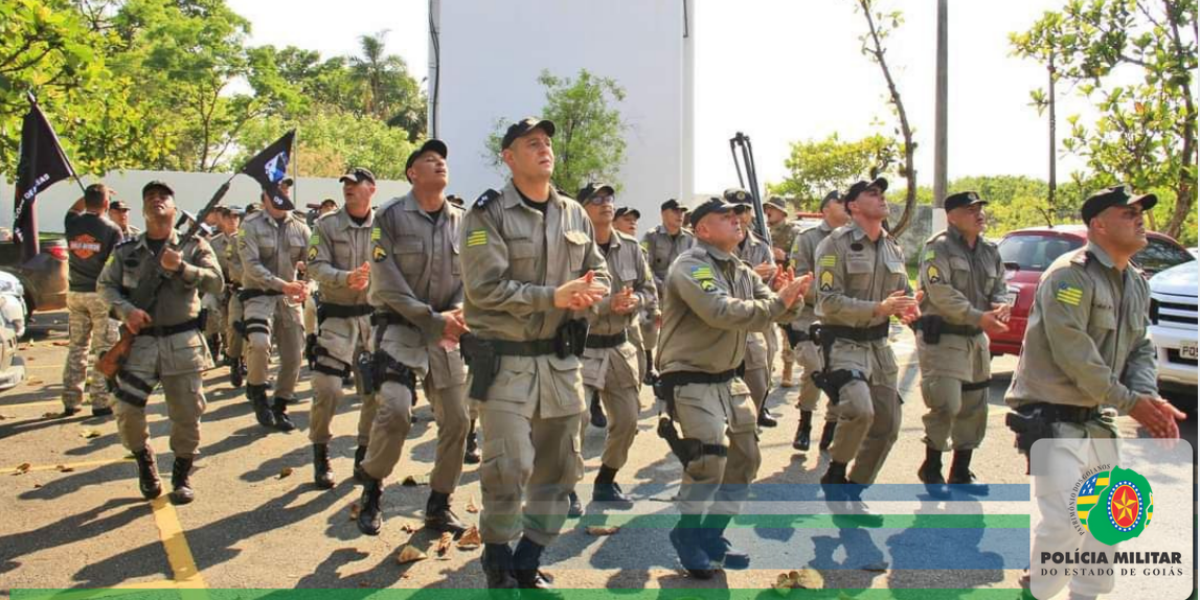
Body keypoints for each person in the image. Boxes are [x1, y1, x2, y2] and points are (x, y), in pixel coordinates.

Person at [1005, 185, 1186, 600]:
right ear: (1098, 225)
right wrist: (1133, 404)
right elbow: (1076, 356)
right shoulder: (1070, 276)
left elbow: (1141, 345)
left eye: (1141, 211)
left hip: (1096, 418)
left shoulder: (1135, 281)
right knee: (1066, 521)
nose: (1140, 218)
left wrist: (1146, 394)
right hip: (1052, 416)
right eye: (1128, 212)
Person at [459, 117, 610, 593]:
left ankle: (530, 555)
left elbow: (598, 271)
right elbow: (483, 288)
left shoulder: (574, 213)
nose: (544, 149)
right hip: (506, 360)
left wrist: (593, 293)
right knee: (510, 464)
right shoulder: (487, 214)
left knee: (561, 466)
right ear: (510, 157)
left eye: (546, 143)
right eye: (531, 144)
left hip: (561, 363)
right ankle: (497, 551)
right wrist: (554, 297)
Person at [657, 197, 810, 578]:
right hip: (691, 376)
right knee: (709, 458)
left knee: (745, 461)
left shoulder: (740, 268)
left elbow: (766, 311)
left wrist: (791, 300)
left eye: (736, 215)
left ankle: (712, 533)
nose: (735, 219)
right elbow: (721, 312)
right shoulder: (692, 265)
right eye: (724, 217)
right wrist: (778, 304)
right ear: (703, 229)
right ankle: (687, 535)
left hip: (728, 377)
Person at [357, 142, 473, 536]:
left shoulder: (465, 221)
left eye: (442, 158)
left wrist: (457, 313)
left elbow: (473, 275)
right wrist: (433, 318)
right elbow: (387, 284)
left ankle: (439, 504)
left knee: (458, 419)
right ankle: (372, 486)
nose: (439, 162)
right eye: (428, 159)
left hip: (447, 330)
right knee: (396, 411)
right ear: (411, 173)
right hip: (401, 327)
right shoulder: (388, 217)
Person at [97, 180, 224, 504]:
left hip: (182, 341)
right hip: (141, 344)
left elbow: (217, 283)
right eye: (150, 196)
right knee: (125, 408)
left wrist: (182, 267)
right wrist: (126, 311)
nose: (157, 200)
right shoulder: (126, 251)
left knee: (186, 415)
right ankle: (144, 462)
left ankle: (181, 474)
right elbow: (105, 286)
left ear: (173, 205)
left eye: (164, 195)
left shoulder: (195, 245)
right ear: (143, 208)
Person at [813, 177, 920, 523]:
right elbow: (827, 301)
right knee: (860, 410)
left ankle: (854, 490)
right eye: (872, 194)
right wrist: (878, 307)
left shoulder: (893, 247)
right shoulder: (834, 244)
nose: (881, 198)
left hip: (879, 345)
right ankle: (836, 472)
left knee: (888, 424)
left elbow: (902, 291)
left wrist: (909, 307)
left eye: (882, 193)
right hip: (844, 341)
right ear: (853, 206)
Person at [914, 191, 1010, 493]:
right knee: (946, 403)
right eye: (970, 209)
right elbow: (940, 292)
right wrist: (977, 315)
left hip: (975, 339)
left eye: (980, 208)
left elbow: (1000, 286)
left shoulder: (990, 250)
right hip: (944, 336)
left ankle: (961, 471)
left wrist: (1000, 304)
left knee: (974, 404)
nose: (979, 213)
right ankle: (931, 467)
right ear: (952, 216)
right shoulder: (937, 248)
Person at [575, 182, 656, 517]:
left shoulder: (632, 247)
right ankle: (566, 486)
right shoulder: (573, 248)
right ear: (582, 208)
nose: (605, 204)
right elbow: (569, 302)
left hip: (621, 347)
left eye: (609, 198)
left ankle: (606, 480)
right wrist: (609, 304)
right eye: (596, 199)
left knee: (627, 419)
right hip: (582, 347)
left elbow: (650, 290)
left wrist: (636, 300)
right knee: (573, 422)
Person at [306, 167, 380, 491]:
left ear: (371, 189)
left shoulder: (386, 226)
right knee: (328, 389)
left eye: (355, 184)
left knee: (376, 394)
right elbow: (313, 265)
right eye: (345, 185)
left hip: (373, 319)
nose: (349, 189)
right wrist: (344, 278)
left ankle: (363, 453)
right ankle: (320, 450)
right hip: (337, 317)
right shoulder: (325, 225)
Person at [237, 182, 311, 431]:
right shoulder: (249, 225)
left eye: (286, 190)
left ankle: (280, 406)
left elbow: (314, 261)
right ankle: (258, 394)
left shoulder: (300, 227)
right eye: (277, 190)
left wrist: (308, 284)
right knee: (259, 344)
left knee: (294, 355)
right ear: (265, 196)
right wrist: (284, 285)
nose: (283, 194)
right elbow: (251, 266)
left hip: (289, 300)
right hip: (259, 295)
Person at [787, 191, 849, 451]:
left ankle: (832, 425)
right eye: (839, 201)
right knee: (814, 369)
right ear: (825, 209)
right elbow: (800, 280)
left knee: (841, 374)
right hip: (808, 317)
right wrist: (834, 298)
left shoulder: (855, 239)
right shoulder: (807, 239)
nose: (845, 205)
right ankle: (805, 422)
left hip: (844, 319)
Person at [62, 184, 124, 417]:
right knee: (104, 348)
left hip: (76, 292)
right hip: (100, 295)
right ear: (107, 204)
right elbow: (116, 265)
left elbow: (73, 209)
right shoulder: (112, 229)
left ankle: (71, 399)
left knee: (77, 347)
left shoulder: (72, 222)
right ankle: (100, 400)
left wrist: (89, 197)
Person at [726, 189, 781, 428]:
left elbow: (768, 281)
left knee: (765, 361)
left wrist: (775, 281)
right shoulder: (716, 245)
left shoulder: (761, 244)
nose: (741, 215)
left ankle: (760, 405)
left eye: (746, 210)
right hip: (728, 316)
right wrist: (751, 275)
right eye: (736, 211)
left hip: (758, 314)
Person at [641, 199, 694, 386]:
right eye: (675, 211)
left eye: (682, 211)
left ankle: (677, 367)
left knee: (681, 333)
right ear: (664, 214)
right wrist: (660, 286)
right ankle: (649, 364)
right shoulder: (651, 237)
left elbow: (699, 265)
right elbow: (644, 267)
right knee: (650, 327)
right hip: (658, 292)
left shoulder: (690, 239)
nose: (680, 215)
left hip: (682, 294)